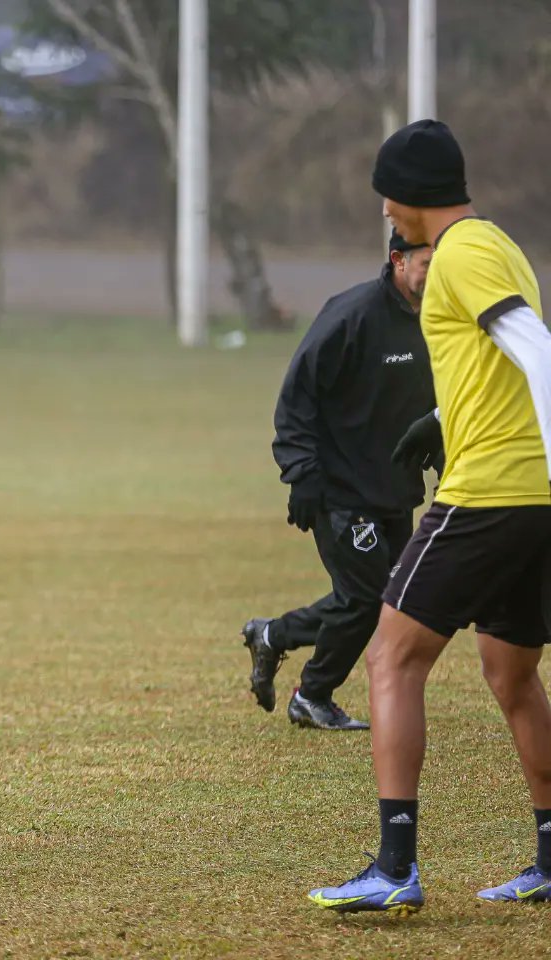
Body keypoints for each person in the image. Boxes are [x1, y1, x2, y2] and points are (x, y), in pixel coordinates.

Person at [309, 119, 551, 912]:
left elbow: (537, 350)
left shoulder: (464, 253)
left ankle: (394, 867)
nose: (385, 211)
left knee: (390, 659)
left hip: (487, 496)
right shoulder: (497, 244)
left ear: (407, 198)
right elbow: (498, 362)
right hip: (526, 495)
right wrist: (445, 419)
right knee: (512, 674)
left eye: (388, 195)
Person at [242, 232, 436, 731]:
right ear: (398, 260)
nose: (436, 273)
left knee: (384, 599)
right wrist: (302, 475)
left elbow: (431, 401)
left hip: (394, 487)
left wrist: (439, 453)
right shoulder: (351, 315)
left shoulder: (436, 319)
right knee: (368, 597)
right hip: (339, 489)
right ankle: (312, 694)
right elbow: (297, 396)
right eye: (427, 262)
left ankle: (273, 636)